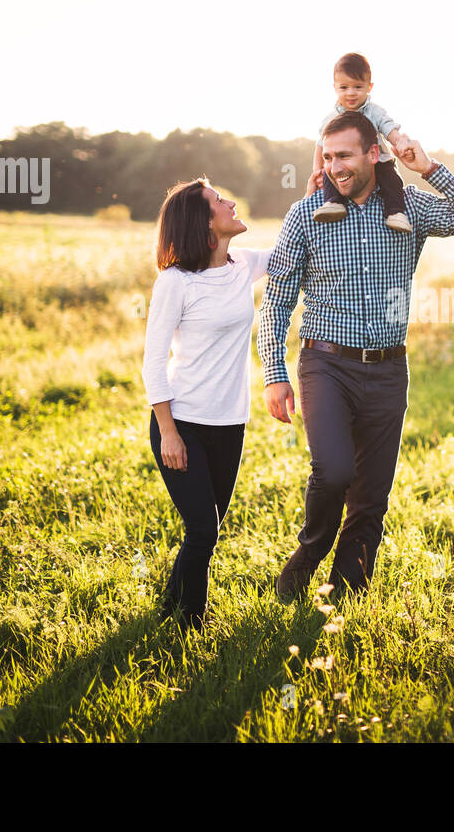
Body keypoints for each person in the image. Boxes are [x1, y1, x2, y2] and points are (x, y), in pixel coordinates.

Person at [259, 110, 454, 601]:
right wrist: (274, 373)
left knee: (371, 496)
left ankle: (347, 595)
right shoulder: (306, 214)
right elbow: (278, 299)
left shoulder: (407, 207)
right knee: (334, 472)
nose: (334, 167)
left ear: (374, 154)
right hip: (325, 363)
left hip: (389, 369)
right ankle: (309, 554)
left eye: (344, 155)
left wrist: (428, 167)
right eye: (327, 157)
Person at [141, 176, 272, 631]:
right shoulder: (175, 283)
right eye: (220, 200)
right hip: (182, 422)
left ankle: (169, 610)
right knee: (204, 530)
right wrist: (170, 433)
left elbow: (300, 247)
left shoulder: (244, 265)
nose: (232, 202)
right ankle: (189, 627)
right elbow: (153, 364)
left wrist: (320, 185)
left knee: (206, 531)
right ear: (204, 222)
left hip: (230, 422)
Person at [307, 52, 413, 232]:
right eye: (344, 87)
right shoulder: (330, 119)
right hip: (341, 165)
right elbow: (321, 146)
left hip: (378, 160)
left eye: (357, 86)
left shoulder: (375, 112)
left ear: (369, 87)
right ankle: (333, 203)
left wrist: (401, 144)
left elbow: (389, 129)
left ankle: (395, 212)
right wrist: (318, 169)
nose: (351, 93)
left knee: (392, 180)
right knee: (330, 174)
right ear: (335, 88)